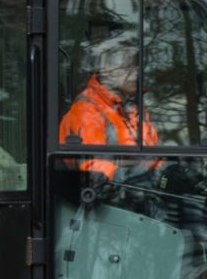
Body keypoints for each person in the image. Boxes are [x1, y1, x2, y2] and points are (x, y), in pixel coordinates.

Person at [59, 32, 159, 179]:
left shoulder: (134, 108)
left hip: (144, 190)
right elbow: (96, 171)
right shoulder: (86, 112)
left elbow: (155, 153)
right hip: (114, 195)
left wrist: (165, 172)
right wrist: (138, 174)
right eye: (127, 67)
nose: (136, 72)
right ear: (106, 71)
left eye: (136, 66)